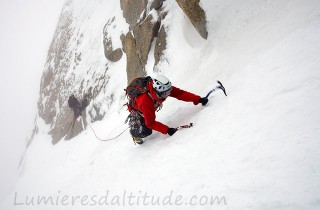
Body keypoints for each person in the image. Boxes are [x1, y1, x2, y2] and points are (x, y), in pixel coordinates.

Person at [127, 75, 208, 144]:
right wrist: (167, 130)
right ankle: (134, 133)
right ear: (157, 91)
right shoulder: (146, 101)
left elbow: (180, 94)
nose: (168, 95)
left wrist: (198, 99)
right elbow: (151, 123)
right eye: (166, 93)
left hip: (148, 107)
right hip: (138, 111)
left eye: (169, 92)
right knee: (147, 131)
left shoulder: (164, 89)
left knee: (149, 119)